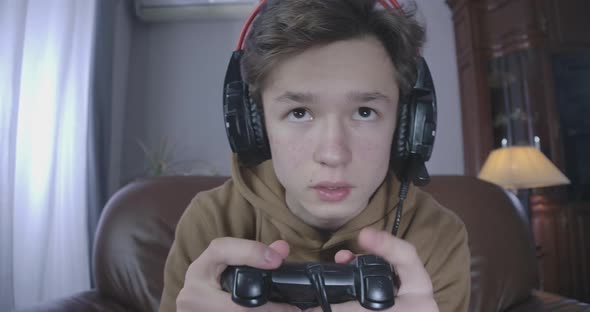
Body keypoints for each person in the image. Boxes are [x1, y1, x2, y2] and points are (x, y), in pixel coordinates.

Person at [159, 0, 470, 311]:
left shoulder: (438, 234)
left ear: (407, 124)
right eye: (298, 113)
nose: (333, 154)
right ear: (254, 125)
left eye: (365, 112)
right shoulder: (210, 222)